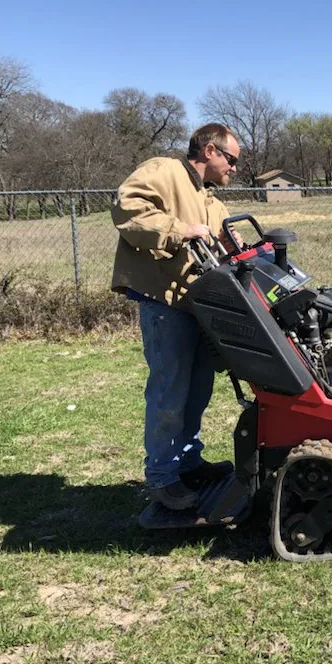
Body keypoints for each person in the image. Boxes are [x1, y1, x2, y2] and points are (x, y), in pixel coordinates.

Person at [111, 123, 242, 510]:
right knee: (170, 393)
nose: (234, 168)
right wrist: (180, 229)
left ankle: (187, 462)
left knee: (197, 390)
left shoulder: (212, 200)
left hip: (198, 305)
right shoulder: (165, 171)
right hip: (164, 303)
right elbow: (126, 205)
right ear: (208, 150)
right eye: (231, 159)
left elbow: (225, 242)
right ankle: (163, 478)